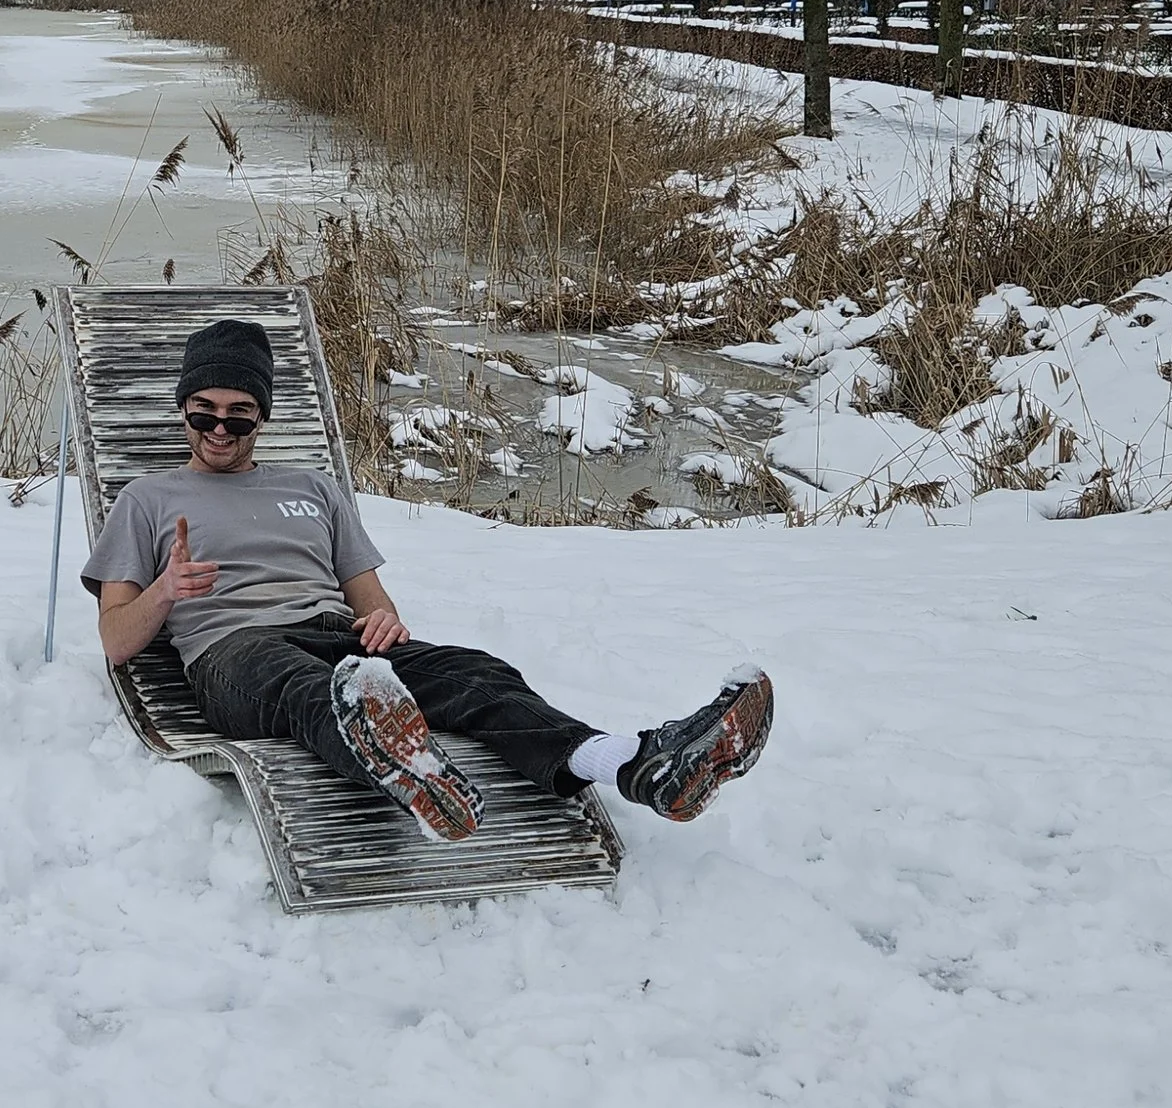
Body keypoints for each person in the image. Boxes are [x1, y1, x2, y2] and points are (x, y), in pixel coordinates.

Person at [83, 314, 772, 844]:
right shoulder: (148, 499)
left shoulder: (315, 490)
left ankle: (631, 763)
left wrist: (382, 623)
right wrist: (166, 589)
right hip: (234, 651)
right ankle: (407, 765)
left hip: (341, 638)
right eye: (203, 412)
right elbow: (116, 639)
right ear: (183, 410)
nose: (220, 429)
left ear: (262, 416)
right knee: (300, 687)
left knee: (476, 673)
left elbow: (372, 603)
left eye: (240, 414)